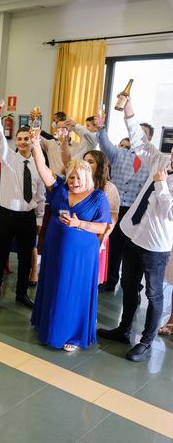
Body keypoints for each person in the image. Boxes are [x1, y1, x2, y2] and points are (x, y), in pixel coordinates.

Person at [97, 99, 173, 362]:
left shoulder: (162, 176)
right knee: (129, 285)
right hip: (134, 235)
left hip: (156, 246)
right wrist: (128, 108)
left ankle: (147, 342)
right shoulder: (160, 161)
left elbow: (171, 213)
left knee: (153, 293)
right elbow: (139, 140)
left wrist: (162, 185)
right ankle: (124, 329)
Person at [30, 132, 111, 351]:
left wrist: (79, 225)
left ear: (88, 178)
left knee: (73, 289)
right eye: (72, 177)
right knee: (54, 284)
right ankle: (48, 326)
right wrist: (36, 145)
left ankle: (72, 335)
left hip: (81, 253)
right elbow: (42, 169)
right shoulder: (59, 188)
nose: (74, 182)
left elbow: (102, 227)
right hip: (56, 245)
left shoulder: (98, 197)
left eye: (79, 178)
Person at [0, 113, 45, 315]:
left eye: (26, 139)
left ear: (32, 140)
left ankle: (21, 294)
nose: (22, 142)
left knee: (24, 259)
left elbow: (40, 195)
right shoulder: (9, 157)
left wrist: (39, 218)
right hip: (7, 217)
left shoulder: (39, 164)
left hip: (27, 218)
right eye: (19, 139)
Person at [95, 114, 152, 292]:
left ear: (149, 139)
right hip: (116, 208)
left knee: (136, 250)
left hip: (138, 212)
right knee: (114, 246)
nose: (138, 136)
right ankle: (110, 280)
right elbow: (105, 145)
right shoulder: (120, 154)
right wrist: (100, 128)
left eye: (143, 134)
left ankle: (134, 283)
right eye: (136, 132)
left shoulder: (153, 161)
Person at [81, 150, 120, 284]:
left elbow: (112, 218)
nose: (86, 164)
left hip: (97, 236)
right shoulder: (77, 182)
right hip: (77, 232)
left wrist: (102, 240)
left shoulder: (109, 188)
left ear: (101, 165)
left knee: (89, 280)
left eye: (90, 162)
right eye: (84, 161)